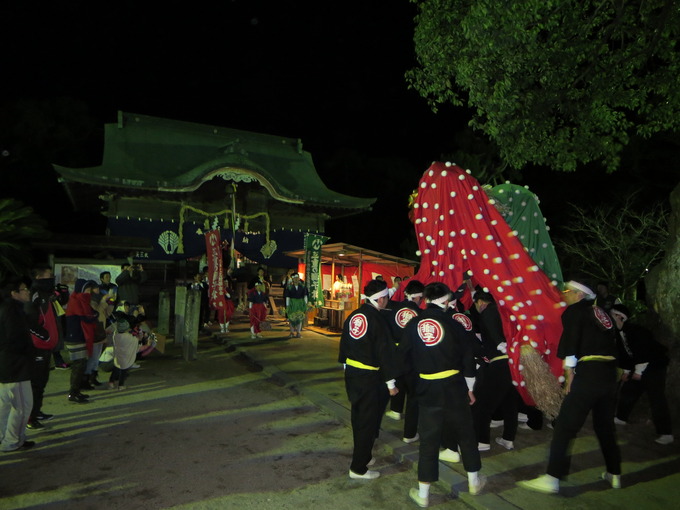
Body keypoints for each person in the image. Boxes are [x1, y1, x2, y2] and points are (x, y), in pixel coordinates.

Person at [518, 280, 622, 493]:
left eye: (567, 291)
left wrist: (569, 375)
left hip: (589, 372)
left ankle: (552, 478)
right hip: (609, 373)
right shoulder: (602, 313)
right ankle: (614, 473)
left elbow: (571, 345)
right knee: (604, 426)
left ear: (578, 295)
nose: (563, 294)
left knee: (565, 426)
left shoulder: (575, 312)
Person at [401, 282, 484, 506]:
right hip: (454, 386)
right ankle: (474, 481)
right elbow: (469, 356)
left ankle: (424, 494)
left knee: (428, 440)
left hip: (427, 388)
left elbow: (403, 355)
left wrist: (413, 379)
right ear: (446, 302)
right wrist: (470, 387)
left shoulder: (414, 323)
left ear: (426, 300)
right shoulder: (454, 323)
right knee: (466, 433)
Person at [338, 279, 398, 480]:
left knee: (359, 418)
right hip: (370, 377)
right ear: (380, 300)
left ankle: (365, 455)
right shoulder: (378, 320)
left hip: (353, 374)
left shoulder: (355, 315)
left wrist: (347, 367)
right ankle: (358, 468)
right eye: (387, 297)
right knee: (368, 422)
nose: (388, 301)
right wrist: (391, 384)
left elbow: (344, 343)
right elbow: (385, 353)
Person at [610, 304, 673, 445]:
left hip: (654, 366)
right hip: (639, 365)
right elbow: (625, 355)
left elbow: (645, 352)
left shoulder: (636, 331)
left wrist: (638, 372)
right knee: (629, 390)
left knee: (656, 398)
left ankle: (666, 433)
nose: (611, 318)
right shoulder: (618, 333)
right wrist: (626, 372)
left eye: (613, 315)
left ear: (621, 317)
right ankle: (621, 417)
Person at [471, 290, 518, 452]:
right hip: (512, 364)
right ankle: (508, 439)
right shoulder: (504, 311)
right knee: (509, 402)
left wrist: (499, 344)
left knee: (483, 404)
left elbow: (494, 333)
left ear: (480, 302)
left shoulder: (489, 311)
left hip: (499, 363)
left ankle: (482, 441)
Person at [0, 277, 42, 452]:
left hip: (7, 365)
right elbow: (14, 339)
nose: (28, 292)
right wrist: (31, 354)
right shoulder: (12, 311)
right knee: (23, 406)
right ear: (14, 293)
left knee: (4, 406)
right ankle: (13, 441)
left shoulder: (8, 308)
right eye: (24, 289)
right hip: (15, 366)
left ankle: (4, 438)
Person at [383, 279, 424, 443]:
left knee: (398, 384)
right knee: (413, 397)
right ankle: (409, 434)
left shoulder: (393, 308)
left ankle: (396, 410)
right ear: (419, 297)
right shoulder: (421, 314)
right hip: (413, 358)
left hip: (395, 355)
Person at [25, 266, 61, 430]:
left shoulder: (46, 295)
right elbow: (29, 322)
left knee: (42, 381)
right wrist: (44, 336)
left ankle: (36, 411)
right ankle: (30, 417)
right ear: (39, 277)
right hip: (37, 347)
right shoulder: (35, 295)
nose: (52, 278)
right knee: (36, 382)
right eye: (49, 275)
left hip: (46, 347)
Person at [64, 279, 99, 403]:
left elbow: (91, 315)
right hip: (75, 337)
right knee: (78, 365)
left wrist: (94, 315)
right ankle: (73, 393)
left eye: (90, 291)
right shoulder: (75, 301)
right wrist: (94, 315)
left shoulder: (82, 301)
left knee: (81, 365)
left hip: (80, 337)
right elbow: (87, 318)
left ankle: (76, 391)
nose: (88, 293)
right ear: (80, 290)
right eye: (87, 290)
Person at [108, 318, 141, 390]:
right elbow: (136, 341)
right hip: (125, 356)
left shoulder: (115, 334)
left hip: (118, 354)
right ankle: (121, 385)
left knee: (116, 368)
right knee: (123, 371)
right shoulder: (128, 337)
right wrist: (139, 337)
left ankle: (111, 383)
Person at [284, 273, 308, 338]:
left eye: (297, 277)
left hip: (300, 303)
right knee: (291, 317)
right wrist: (287, 306)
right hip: (292, 303)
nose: (296, 279)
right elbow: (287, 297)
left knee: (299, 318)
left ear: (299, 278)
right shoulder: (289, 287)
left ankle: (298, 332)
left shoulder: (302, 286)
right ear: (292, 279)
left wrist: (305, 305)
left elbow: (305, 296)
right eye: (294, 278)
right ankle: (291, 332)